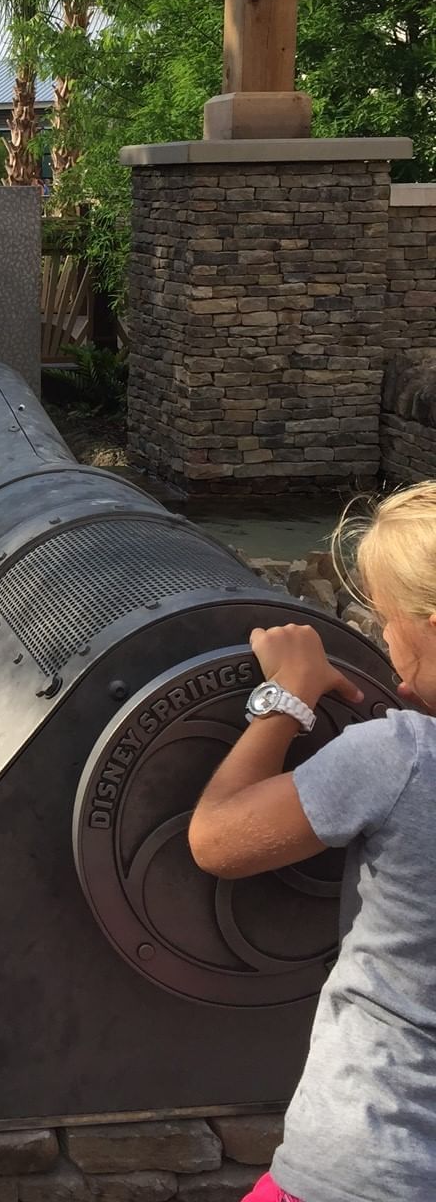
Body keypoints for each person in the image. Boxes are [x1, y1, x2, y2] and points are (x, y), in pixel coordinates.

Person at [188, 482, 436, 1202]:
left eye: (387, 619)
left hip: (369, 1165)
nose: (383, 640)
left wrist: (286, 696)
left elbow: (215, 838)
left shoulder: (399, 758)